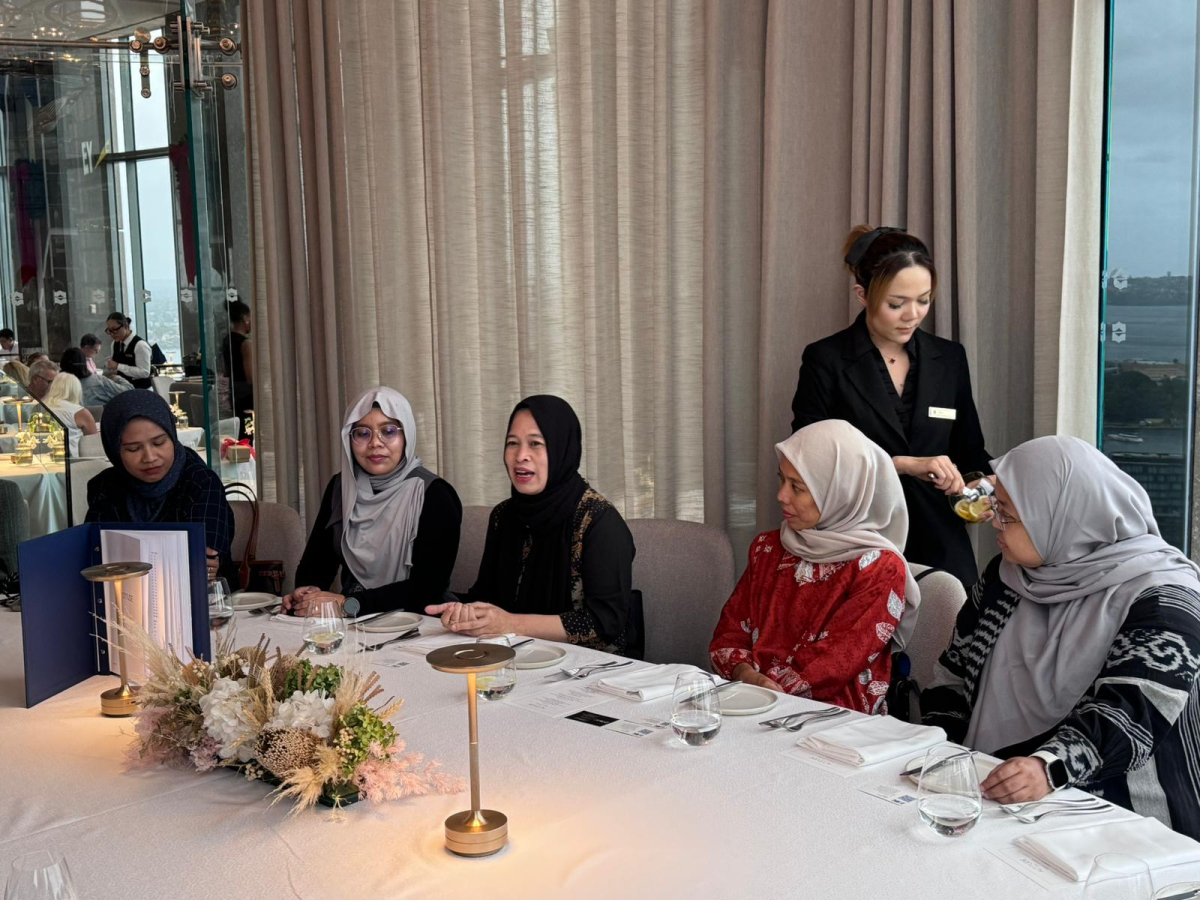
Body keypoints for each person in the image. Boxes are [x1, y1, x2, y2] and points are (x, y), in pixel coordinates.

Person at [921, 436, 1200, 839]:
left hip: (1119, 811)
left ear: (1061, 516)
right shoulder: (1007, 575)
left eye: (1008, 514)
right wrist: (945, 750)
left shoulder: (1164, 597)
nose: (994, 522)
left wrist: (1050, 767)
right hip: (992, 788)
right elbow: (953, 671)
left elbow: (1136, 711)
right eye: (996, 505)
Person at [790, 225, 990, 586]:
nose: (912, 315)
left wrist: (985, 487)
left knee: (953, 619)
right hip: (857, 537)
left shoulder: (950, 358)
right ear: (863, 295)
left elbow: (969, 449)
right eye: (896, 304)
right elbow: (810, 463)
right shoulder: (826, 360)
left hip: (941, 539)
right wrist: (903, 464)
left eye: (923, 300)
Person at [709, 420, 918, 713]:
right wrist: (746, 675)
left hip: (831, 722)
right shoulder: (768, 548)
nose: (781, 496)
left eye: (797, 487)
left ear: (841, 492)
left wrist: (764, 689)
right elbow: (730, 632)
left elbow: (834, 663)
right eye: (782, 480)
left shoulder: (880, 568)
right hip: (752, 702)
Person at [427, 395, 639, 655]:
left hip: (588, 666)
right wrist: (465, 612)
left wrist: (511, 624)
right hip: (512, 655)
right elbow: (486, 597)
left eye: (536, 444)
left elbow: (604, 623)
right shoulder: (503, 516)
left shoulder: (598, 520)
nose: (521, 456)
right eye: (512, 443)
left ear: (562, 449)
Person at [282, 387, 463, 617]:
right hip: (352, 619)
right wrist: (307, 593)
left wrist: (347, 605)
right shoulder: (341, 487)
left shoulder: (435, 494)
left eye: (388, 431)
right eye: (362, 433)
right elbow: (317, 563)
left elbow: (427, 589)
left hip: (419, 620)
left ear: (406, 436)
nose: (375, 443)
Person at [85, 391, 233, 583]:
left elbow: (204, 565)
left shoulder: (200, 482)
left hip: (203, 595)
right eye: (133, 449)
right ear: (114, 450)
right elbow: (95, 558)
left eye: (159, 443)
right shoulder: (105, 486)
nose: (149, 457)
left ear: (172, 437)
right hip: (119, 595)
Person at [43, 372, 98, 457]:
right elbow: (93, 443)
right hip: (73, 460)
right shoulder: (80, 412)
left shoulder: (39, 407)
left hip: (43, 457)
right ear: (76, 390)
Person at [220, 299, 253, 438]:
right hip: (247, 394)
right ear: (245, 318)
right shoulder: (245, 343)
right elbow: (250, 376)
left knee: (240, 430)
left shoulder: (227, 340)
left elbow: (225, 369)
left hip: (234, 391)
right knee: (249, 430)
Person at [60, 347, 132, 408]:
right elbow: (129, 391)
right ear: (84, 363)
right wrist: (118, 378)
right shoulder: (99, 381)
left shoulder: (57, 384)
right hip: (99, 418)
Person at [104, 312, 152, 389]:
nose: (112, 334)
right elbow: (115, 366)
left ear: (126, 326)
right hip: (121, 388)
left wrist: (118, 366)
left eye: (115, 329)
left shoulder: (140, 345)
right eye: (109, 331)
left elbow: (144, 372)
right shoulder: (114, 344)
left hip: (140, 389)